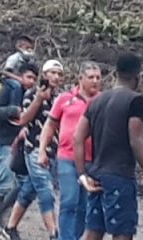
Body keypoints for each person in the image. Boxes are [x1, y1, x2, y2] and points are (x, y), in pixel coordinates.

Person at [74, 52, 143, 240]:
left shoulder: (96, 101)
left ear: (115, 73)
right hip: (120, 176)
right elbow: (136, 141)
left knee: (93, 231)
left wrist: (83, 174)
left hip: (96, 175)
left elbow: (77, 137)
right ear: (137, 77)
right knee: (122, 233)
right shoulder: (135, 101)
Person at [3, 60, 66, 240]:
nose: (56, 77)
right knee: (46, 191)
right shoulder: (32, 94)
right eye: (52, 73)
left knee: (29, 190)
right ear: (45, 75)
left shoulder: (59, 98)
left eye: (59, 74)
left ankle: (9, 228)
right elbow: (23, 119)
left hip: (53, 149)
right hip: (34, 149)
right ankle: (54, 233)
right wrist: (39, 99)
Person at [40, 62, 102, 240]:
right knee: (69, 201)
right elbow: (50, 125)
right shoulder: (65, 99)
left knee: (84, 205)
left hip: (92, 159)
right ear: (80, 78)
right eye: (90, 77)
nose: (95, 81)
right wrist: (42, 150)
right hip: (66, 156)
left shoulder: (102, 100)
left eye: (98, 78)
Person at [0, 64, 39, 234]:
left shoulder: (32, 96)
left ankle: (3, 216)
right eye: (28, 77)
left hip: (21, 146)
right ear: (20, 76)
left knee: (23, 184)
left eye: (33, 78)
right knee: (4, 184)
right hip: (4, 143)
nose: (30, 81)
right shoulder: (8, 90)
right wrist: (12, 111)